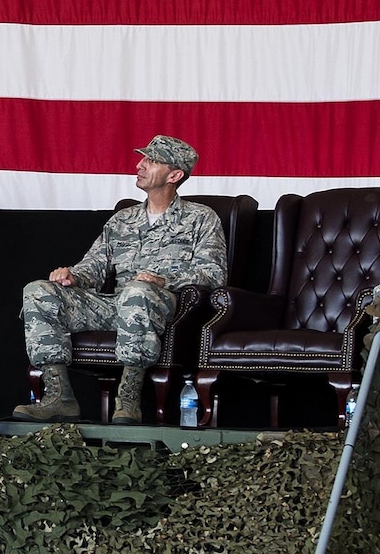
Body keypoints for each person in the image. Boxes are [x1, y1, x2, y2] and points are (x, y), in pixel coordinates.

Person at [14, 136, 227, 425]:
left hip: (163, 307)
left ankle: (128, 399)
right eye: (143, 159)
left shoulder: (201, 218)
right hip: (115, 305)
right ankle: (58, 396)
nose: (140, 165)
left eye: (151, 161)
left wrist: (162, 280)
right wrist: (71, 275)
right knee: (38, 290)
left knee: (138, 291)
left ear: (174, 175)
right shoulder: (122, 220)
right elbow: (93, 267)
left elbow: (214, 275)